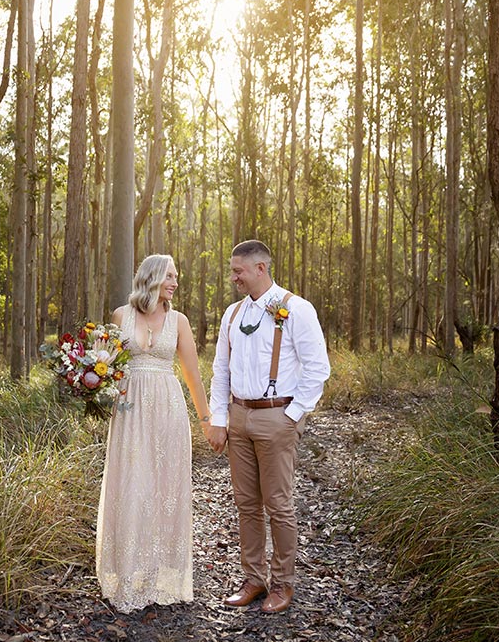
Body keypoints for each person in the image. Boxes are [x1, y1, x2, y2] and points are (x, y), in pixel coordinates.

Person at [206, 240, 330, 614]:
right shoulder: (231, 314)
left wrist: (293, 416)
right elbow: (220, 372)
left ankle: (283, 583)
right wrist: (220, 419)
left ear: (261, 269)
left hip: (277, 416)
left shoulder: (296, 308)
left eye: (238, 271)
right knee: (246, 503)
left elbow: (317, 368)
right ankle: (254, 579)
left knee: (279, 504)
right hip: (238, 417)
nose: (234, 278)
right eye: (232, 271)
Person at [96, 254, 213, 613]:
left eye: (176, 277)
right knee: (133, 484)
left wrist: (206, 418)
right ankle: (128, 572)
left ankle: (164, 575)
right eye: (169, 277)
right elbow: (104, 364)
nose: (175, 283)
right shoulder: (121, 316)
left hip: (167, 409)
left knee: (164, 487)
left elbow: (191, 372)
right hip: (130, 412)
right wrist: (90, 383)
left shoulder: (179, 321)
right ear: (151, 278)